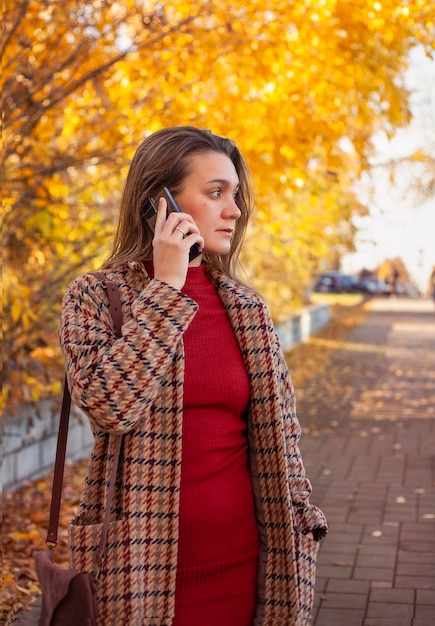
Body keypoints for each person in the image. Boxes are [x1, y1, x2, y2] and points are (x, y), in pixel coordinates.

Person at [59, 126, 327, 626]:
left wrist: (303, 526)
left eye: (236, 195)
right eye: (215, 193)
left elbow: (282, 442)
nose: (234, 210)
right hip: (137, 571)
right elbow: (109, 404)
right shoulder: (96, 297)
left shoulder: (246, 307)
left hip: (250, 568)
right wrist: (166, 287)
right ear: (160, 203)